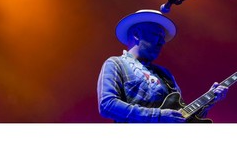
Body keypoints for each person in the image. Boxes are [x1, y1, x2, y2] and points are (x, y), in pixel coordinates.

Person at [97, 9, 228, 123]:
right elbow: (107, 105)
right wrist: (158, 116)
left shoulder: (165, 74)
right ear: (137, 35)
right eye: (156, 35)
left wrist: (210, 101)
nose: (162, 42)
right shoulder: (116, 63)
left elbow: (181, 116)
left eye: (163, 37)